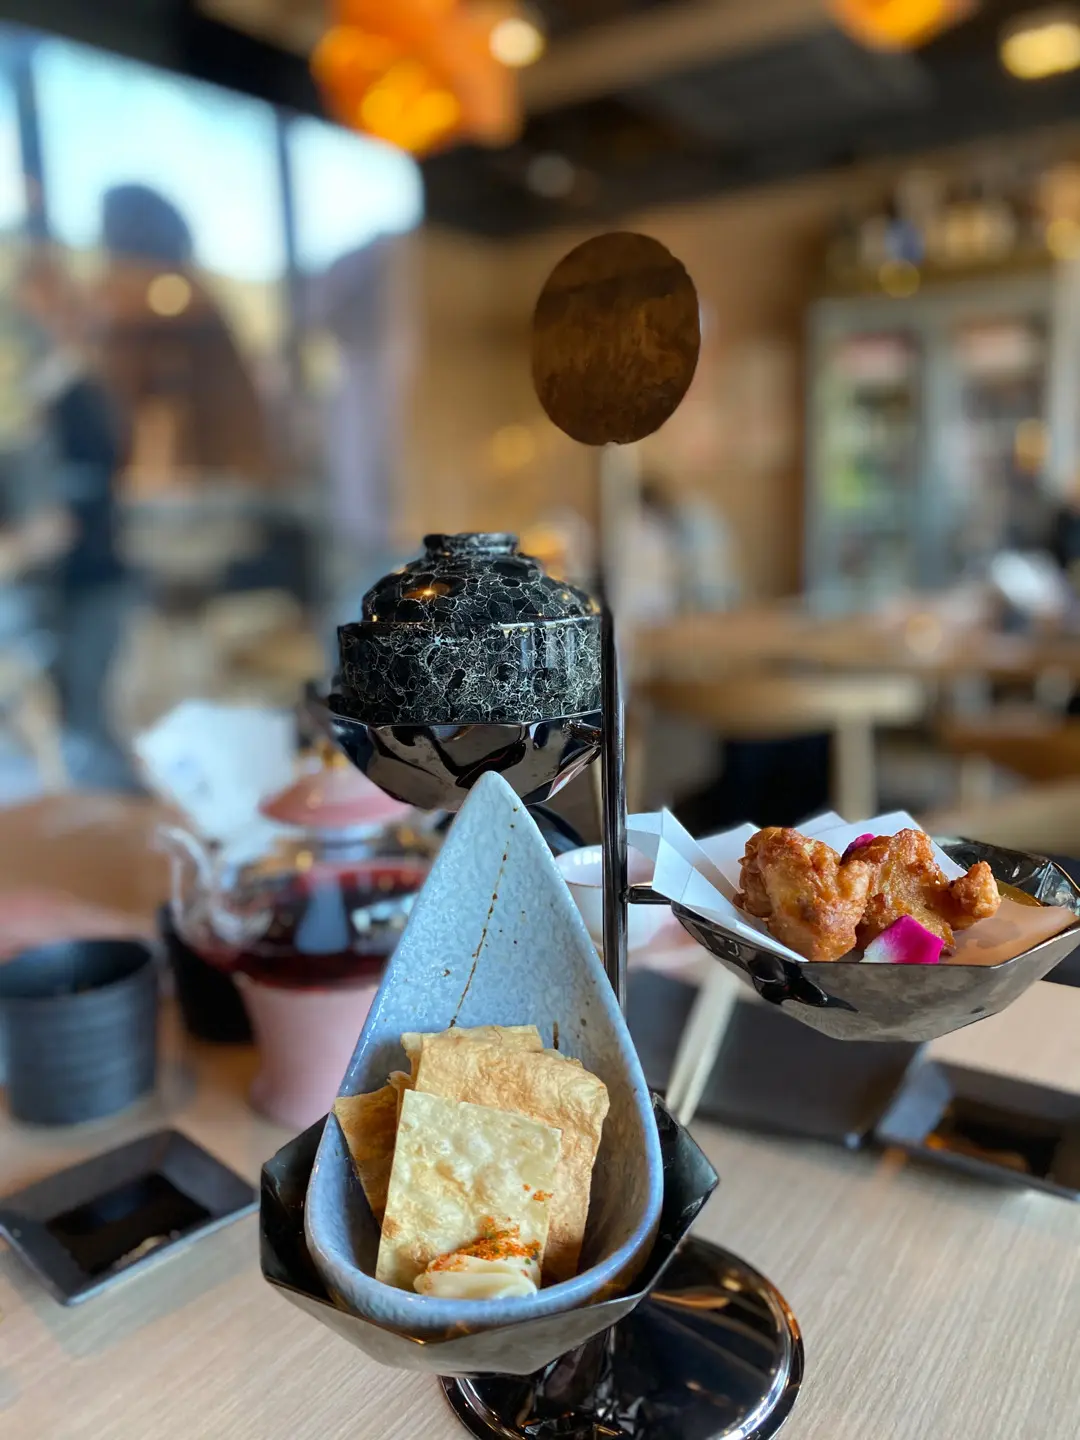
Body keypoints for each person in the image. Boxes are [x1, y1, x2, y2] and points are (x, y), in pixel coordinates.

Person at [11, 250, 134, 785]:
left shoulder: (80, 394)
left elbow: (80, 499)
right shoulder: (34, 396)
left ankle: (112, 819)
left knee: (89, 727)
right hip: (45, 589)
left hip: (91, 580)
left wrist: (29, 538)